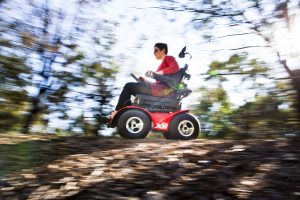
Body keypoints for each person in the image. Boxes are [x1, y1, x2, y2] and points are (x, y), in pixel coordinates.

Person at [96, 43, 180, 121]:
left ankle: (116, 115)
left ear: (163, 50)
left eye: (156, 50)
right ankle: (122, 113)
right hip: (159, 89)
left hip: (162, 90)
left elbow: (175, 67)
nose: (154, 53)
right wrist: (145, 81)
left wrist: (156, 73)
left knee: (129, 86)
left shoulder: (169, 58)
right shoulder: (162, 64)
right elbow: (159, 83)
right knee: (131, 87)